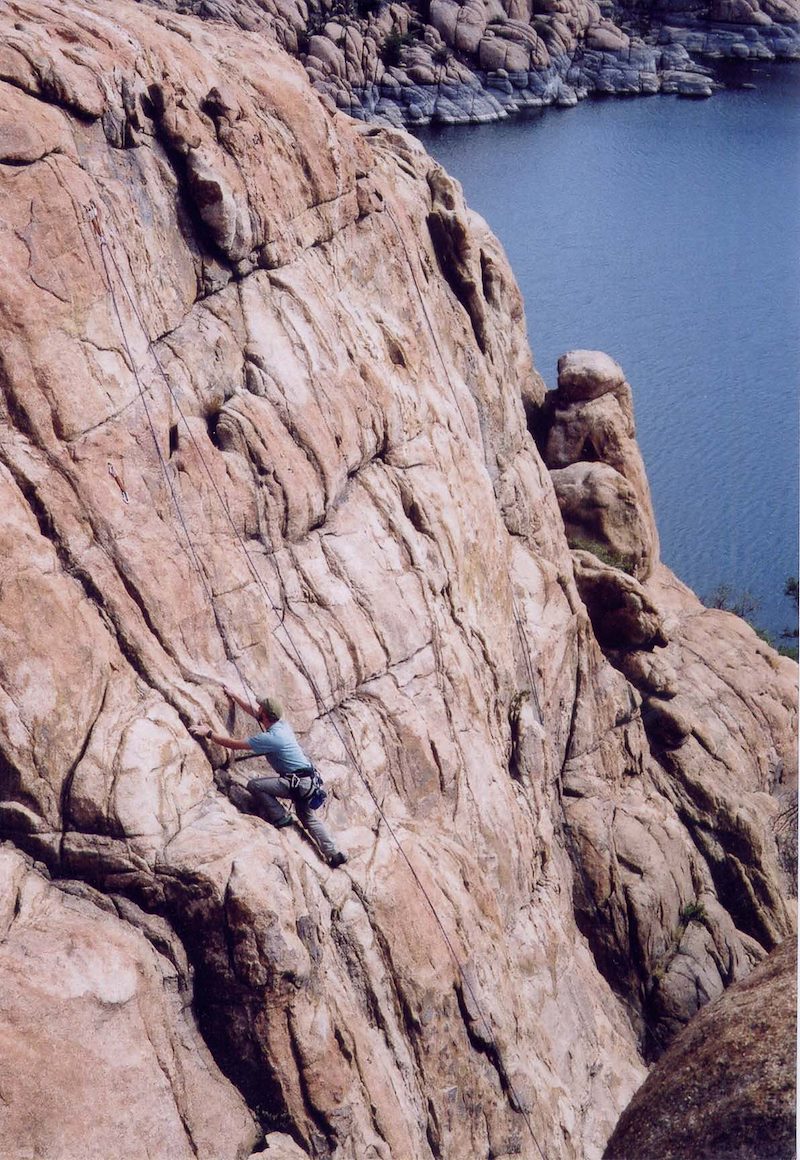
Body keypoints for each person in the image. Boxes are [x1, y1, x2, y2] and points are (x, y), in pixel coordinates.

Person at [193, 687, 347, 868]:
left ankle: (280, 817)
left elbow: (234, 745)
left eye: (261, 709)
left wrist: (209, 733)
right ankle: (334, 853)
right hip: (307, 782)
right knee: (308, 818)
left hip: (297, 784)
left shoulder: (272, 738)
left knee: (255, 785)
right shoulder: (282, 725)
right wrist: (236, 697)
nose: (257, 709)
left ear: (265, 715)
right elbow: (255, 712)